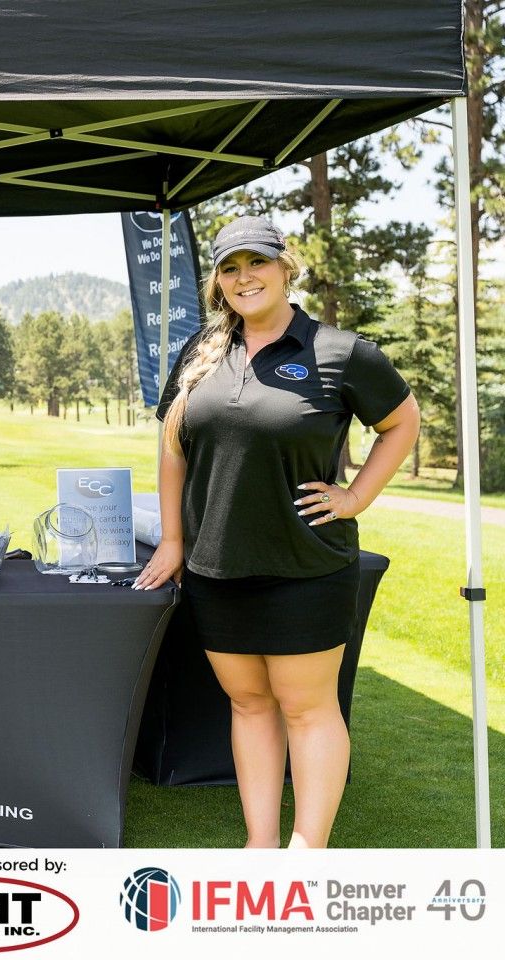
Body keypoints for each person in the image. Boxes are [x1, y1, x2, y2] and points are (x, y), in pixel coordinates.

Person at [135, 215, 418, 848]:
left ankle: (306, 851)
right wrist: (177, 542)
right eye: (230, 268)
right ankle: (260, 844)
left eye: (256, 263)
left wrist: (354, 497)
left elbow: (403, 423)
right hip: (216, 571)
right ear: (217, 283)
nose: (244, 278)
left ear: (285, 268)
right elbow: (173, 450)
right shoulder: (200, 354)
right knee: (249, 704)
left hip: (306, 569)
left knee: (307, 708)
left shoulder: (341, 352)